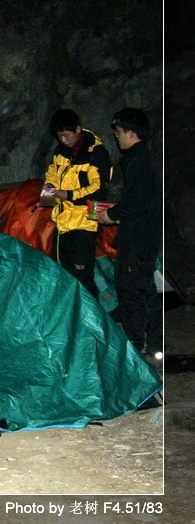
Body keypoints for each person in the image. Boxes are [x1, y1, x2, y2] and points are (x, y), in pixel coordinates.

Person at [96, 108, 162, 362]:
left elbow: (139, 202)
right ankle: (152, 345)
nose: (116, 136)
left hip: (138, 240)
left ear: (132, 133)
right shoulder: (138, 158)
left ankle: (137, 345)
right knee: (142, 290)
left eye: (119, 132)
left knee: (132, 291)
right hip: (139, 238)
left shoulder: (140, 161)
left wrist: (112, 214)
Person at [42, 108, 112, 298]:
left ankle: (90, 314)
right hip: (62, 222)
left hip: (84, 224)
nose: (63, 140)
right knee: (62, 273)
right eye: (59, 136)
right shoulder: (61, 151)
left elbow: (99, 190)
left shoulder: (96, 154)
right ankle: (68, 313)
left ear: (78, 129)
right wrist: (50, 186)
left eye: (66, 135)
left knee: (82, 277)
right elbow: (53, 172)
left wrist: (70, 195)